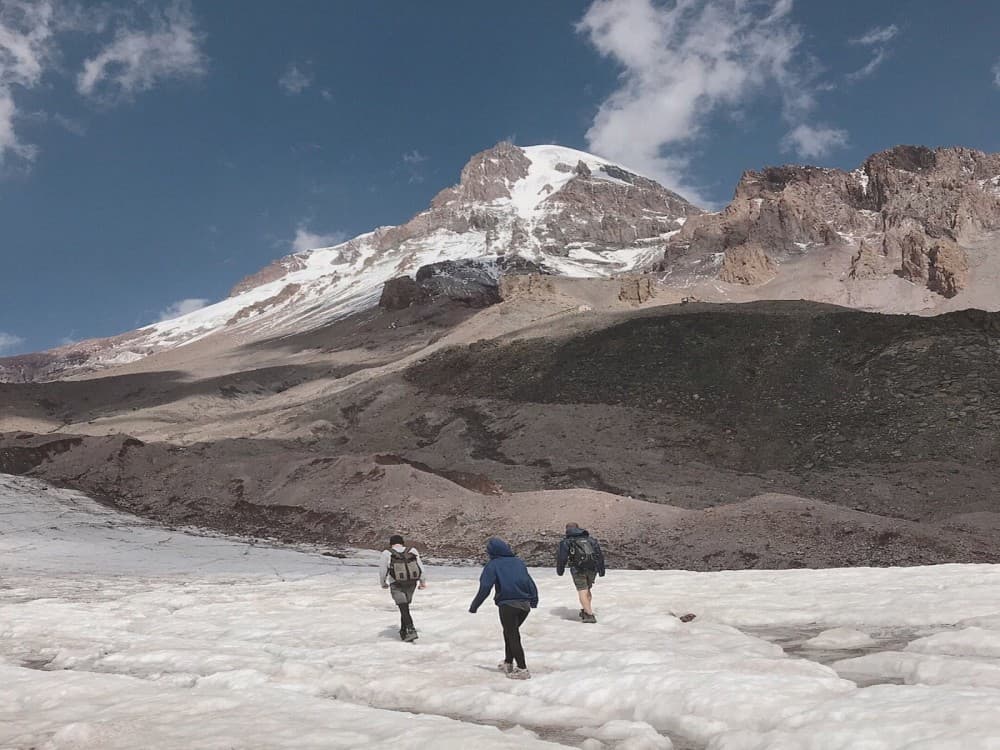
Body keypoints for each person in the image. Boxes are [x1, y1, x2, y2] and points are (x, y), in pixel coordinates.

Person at [469, 537, 538, 680]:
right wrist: (534, 600)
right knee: (510, 632)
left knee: (512, 635)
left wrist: (475, 605)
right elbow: (529, 581)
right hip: (524, 605)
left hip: (508, 605)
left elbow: (485, 587)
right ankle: (508, 662)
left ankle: (522, 668)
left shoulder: (493, 565)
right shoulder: (518, 562)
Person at [379, 534, 426, 641]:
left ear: (391, 544)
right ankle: (403, 631)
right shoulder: (412, 550)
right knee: (404, 607)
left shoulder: (387, 553)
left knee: (403, 607)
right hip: (411, 583)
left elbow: (382, 571)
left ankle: (411, 629)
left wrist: (383, 583)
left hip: (396, 583)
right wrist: (422, 582)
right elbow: (420, 568)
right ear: (402, 542)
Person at [556, 522, 605, 624]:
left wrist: (560, 570)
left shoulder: (566, 541)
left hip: (578, 569)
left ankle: (589, 615)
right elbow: (599, 555)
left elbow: (562, 558)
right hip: (592, 568)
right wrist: (601, 570)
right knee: (587, 589)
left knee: (582, 590)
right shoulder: (590, 540)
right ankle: (587, 609)